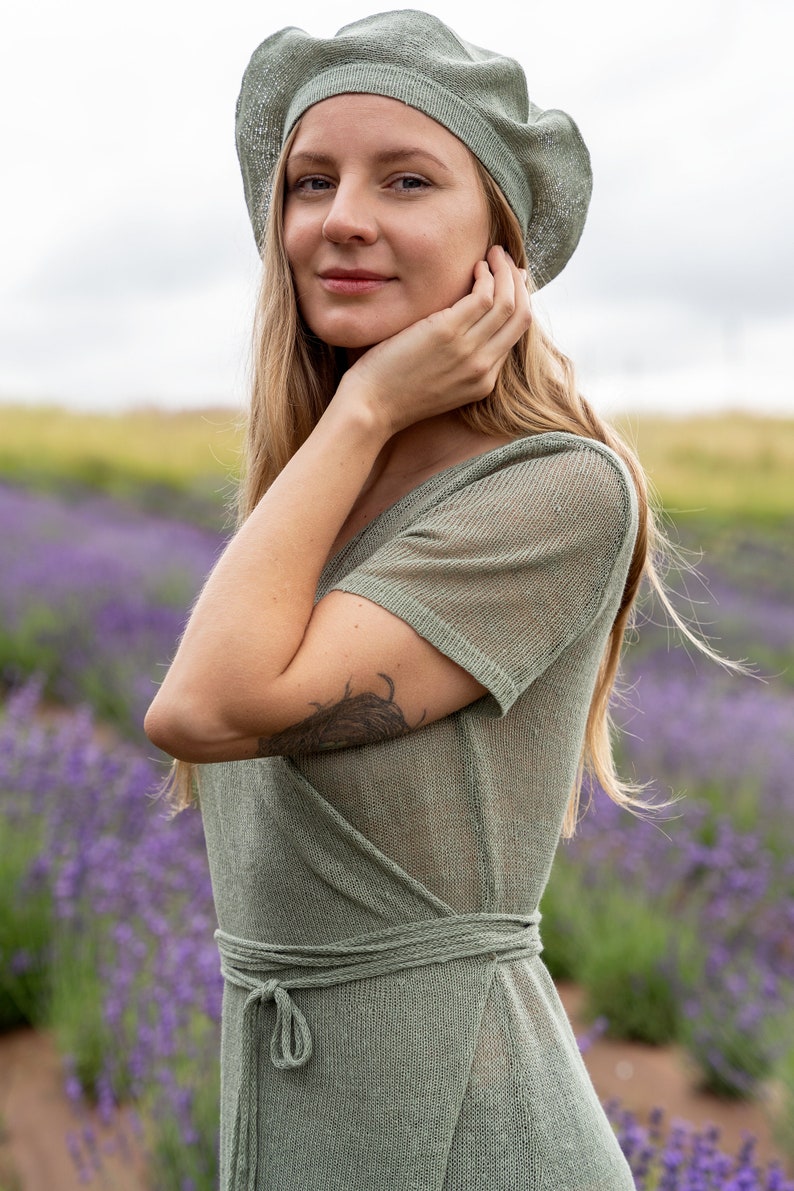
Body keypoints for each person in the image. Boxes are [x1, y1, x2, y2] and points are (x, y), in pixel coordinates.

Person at [145, 11, 648, 1188]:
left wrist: (365, 405)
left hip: (461, 1135)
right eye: (308, 182)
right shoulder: (315, 491)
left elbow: (204, 709)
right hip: (295, 1119)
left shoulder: (554, 490)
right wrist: (345, 435)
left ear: (497, 245)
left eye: (406, 178)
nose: (341, 217)